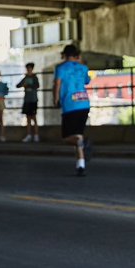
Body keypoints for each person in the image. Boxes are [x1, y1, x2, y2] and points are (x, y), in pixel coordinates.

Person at [53, 44, 91, 176]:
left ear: (64, 55)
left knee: (66, 137)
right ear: (77, 55)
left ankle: (82, 143)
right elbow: (87, 81)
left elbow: (57, 84)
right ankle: (81, 165)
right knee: (78, 134)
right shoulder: (83, 68)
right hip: (84, 103)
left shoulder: (61, 68)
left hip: (70, 105)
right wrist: (80, 63)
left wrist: (56, 99)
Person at [17, 62, 40, 142]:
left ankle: (36, 135)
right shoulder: (25, 77)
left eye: (29, 68)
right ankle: (29, 134)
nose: (28, 70)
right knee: (28, 118)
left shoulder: (34, 77)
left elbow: (37, 86)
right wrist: (24, 84)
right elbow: (18, 85)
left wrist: (28, 85)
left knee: (34, 117)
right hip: (27, 100)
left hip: (33, 99)